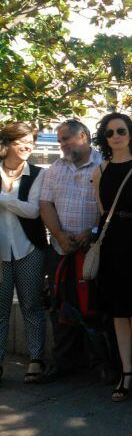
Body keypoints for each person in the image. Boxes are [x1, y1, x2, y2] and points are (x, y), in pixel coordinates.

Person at [39, 119, 112, 383]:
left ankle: (103, 364)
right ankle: (63, 363)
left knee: (96, 307)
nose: (62, 145)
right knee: (61, 308)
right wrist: (59, 234)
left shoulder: (104, 165)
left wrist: (91, 232)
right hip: (61, 249)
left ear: (83, 136)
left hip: (95, 249)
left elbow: (111, 207)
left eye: (65, 139)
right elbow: (45, 204)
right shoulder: (55, 170)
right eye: (59, 141)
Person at [92, 113, 132, 402]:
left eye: (121, 130)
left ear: (131, 133)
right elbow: (102, 208)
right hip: (112, 240)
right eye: (109, 132)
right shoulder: (100, 170)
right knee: (118, 310)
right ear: (104, 138)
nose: (116, 136)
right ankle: (126, 371)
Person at [0, 123, 47, 384]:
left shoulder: (37, 174)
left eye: (31, 141)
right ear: (8, 143)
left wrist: (3, 198)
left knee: (31, 305)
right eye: (22, 141)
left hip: (29, 248)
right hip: (0, 253)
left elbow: (32, 211)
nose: (28, 146)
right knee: (0, 309)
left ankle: (36, 359)